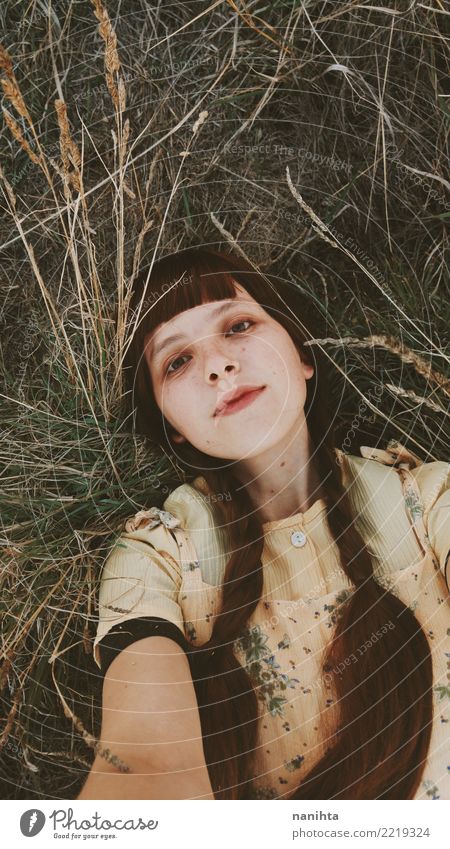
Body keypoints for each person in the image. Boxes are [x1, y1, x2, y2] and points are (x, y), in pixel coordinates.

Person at [78, 247, 450, 800]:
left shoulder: (426, 501)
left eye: (239, 324)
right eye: (176, 361)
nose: (217, 366)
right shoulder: (156, 557)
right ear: (171, 425)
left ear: (303, 354)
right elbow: (145, 760)